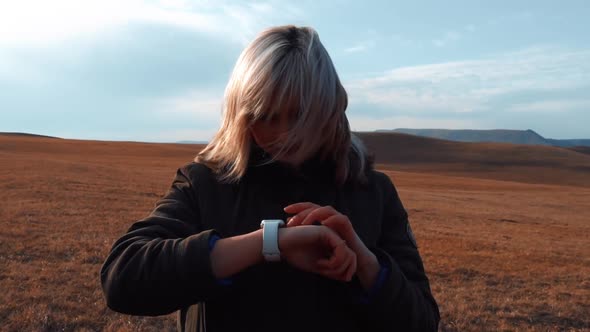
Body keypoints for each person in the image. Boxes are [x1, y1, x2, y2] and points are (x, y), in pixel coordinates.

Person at [100, 25, 440, 332]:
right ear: (241, 114)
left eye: (298, 115)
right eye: (266, 116)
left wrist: (365, 262)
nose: (283, 134)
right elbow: (123, 280)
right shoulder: (205, 183)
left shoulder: (373, 193)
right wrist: (269, 244)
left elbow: (422, 321)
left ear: (330, 108)